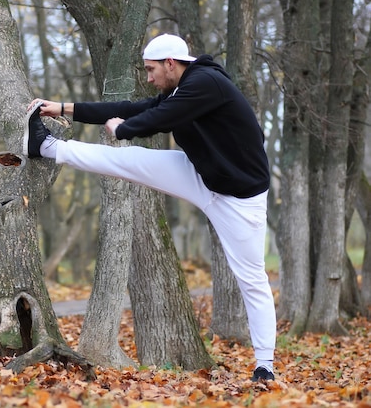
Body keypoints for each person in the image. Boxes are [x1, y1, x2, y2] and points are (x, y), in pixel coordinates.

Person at [23, 33, 276, 382]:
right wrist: (64, 108)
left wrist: (124, 130)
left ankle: (265, 365)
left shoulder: (206, 83)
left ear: (171, 63)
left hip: (240, 198)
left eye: (151, 69)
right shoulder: (177, 89)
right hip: (199, 173)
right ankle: (46, 146)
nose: (149, 77)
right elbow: (132, 109)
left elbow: (154, 119)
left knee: (252, 279)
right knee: (129, 162)